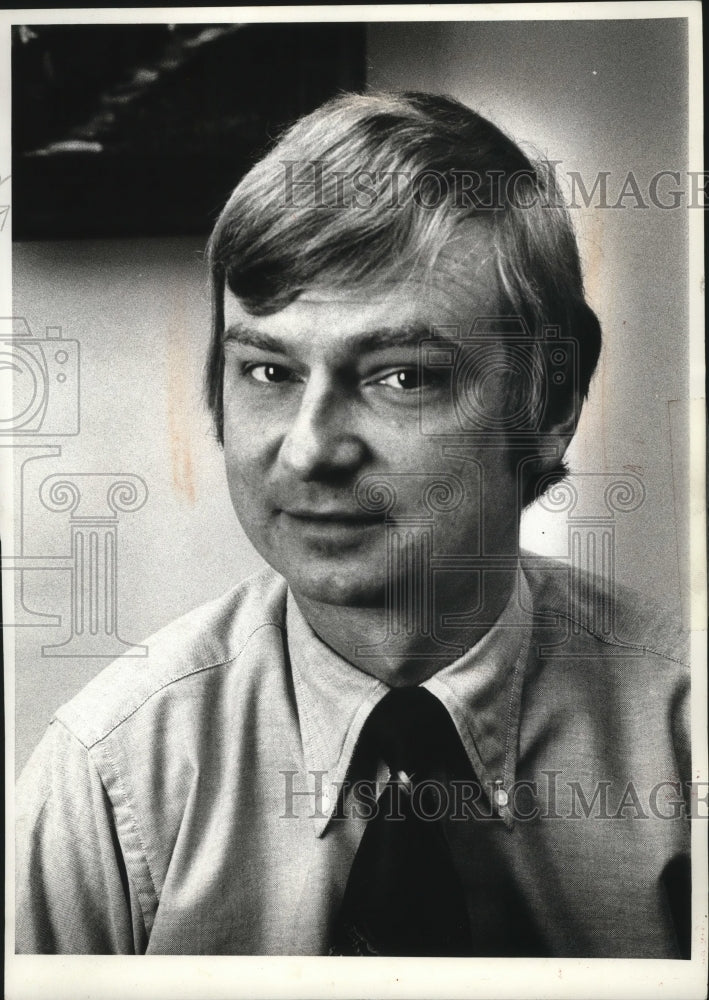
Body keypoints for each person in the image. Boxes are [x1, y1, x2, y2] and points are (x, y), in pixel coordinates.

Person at [16, 91, 690, 957]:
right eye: (267, 370)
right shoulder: (108, 789)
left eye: (400, 377)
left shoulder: (683, 741)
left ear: (550, 398)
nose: (307, 453)